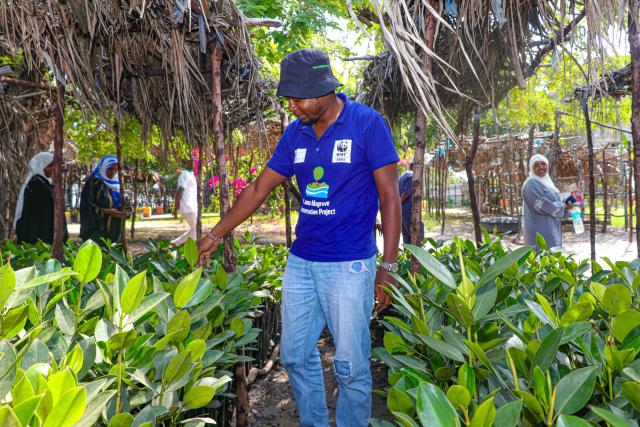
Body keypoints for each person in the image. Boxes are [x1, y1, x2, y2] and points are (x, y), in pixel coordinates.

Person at [197, 49, 401, 427]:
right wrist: (215, 233)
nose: (291, 107)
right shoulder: (296, 133)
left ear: (323, 91)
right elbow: (259, 188)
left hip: (350, 264)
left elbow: (390, 196)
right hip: (302, 264)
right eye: (287, 98)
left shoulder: (367, 125)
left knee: (351, 366)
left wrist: (387, 265)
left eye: (297, 98)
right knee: (293, 355)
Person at [14, 152, 68, 244]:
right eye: (50, 166)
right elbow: (35, 216)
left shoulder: (45, 183)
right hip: (40, 236)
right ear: (41, 166)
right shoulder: (36, 184)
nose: (53, 169)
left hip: (47, 233)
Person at [522, 154, 571, 249]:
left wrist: (568, 204)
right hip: (539, 229)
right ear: (531, 168)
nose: (540, 167)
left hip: (552, 228)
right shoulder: (531, 184)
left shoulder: (548, 184)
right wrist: (562, 206)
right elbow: (541, 205)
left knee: (552, 257)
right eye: (536, 165)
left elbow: (558, 204)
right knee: (542, 256)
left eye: (543, 164)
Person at [80, 154, 125, 244]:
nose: (113, 173)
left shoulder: (117, 184)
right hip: (97, 230)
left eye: (116, 170)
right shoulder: (93, 182)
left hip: (115, 229)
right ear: (104, 167)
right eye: (110, 169)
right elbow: (86, 206)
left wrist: (124, 211)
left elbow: (123, 202)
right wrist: (106, 211)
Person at [172, 162, 198, 246]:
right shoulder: (185, 174)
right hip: (188, 206)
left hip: (191, 206)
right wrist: (175, 208)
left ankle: (175, 243)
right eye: (192, 161)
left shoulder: (190, 174)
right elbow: (179, 191)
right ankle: (176, 243)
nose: (194, 163)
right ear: (187, 162)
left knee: (194, 230)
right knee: (195, 230)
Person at [397, 163, 423, 244]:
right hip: (408, 209)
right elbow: (406, 193)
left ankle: (407, 254)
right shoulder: (411, 176)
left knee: (405, 234)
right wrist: (398, 204)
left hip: (402, 210)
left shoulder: (402, 176)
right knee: (414, 233)